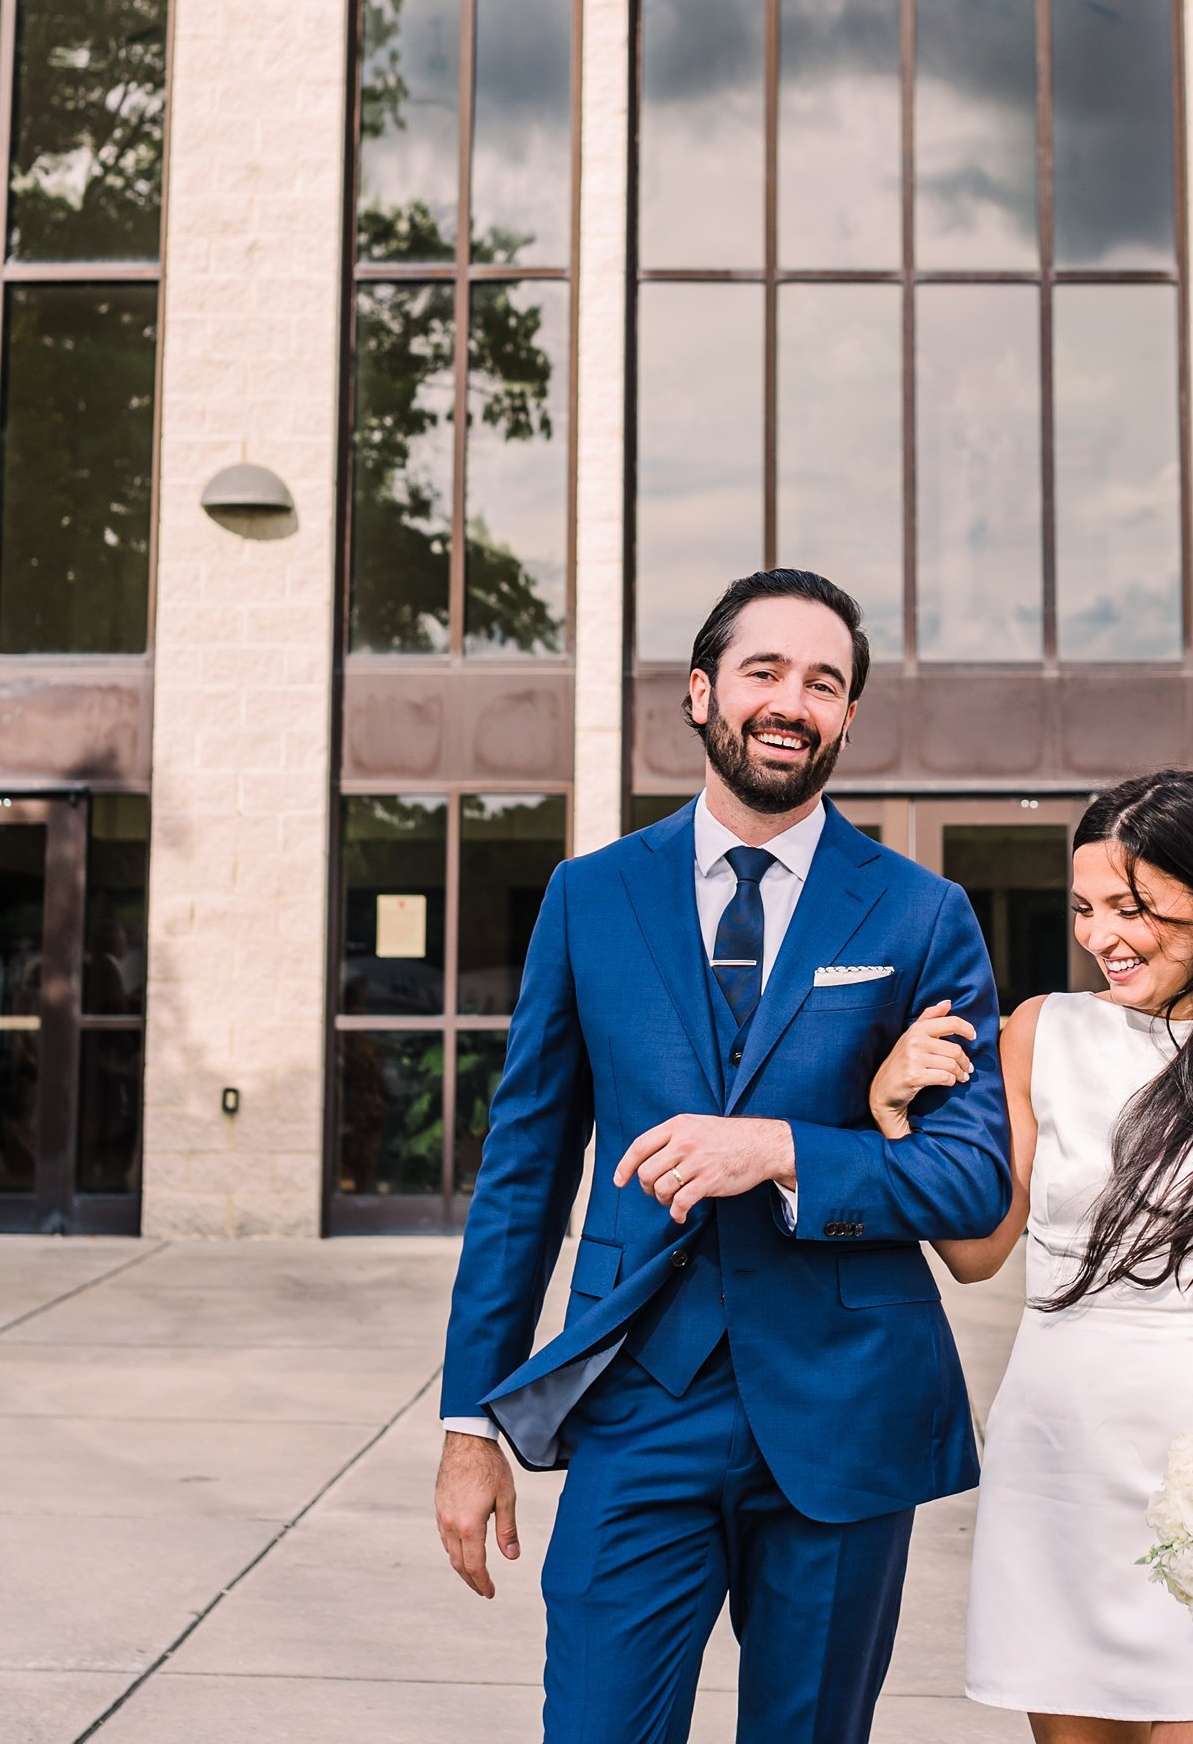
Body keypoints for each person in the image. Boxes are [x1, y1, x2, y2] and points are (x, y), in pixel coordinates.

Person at [434, 566, 1013, 1744]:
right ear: (701, 693)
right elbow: (524, 1176)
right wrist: (470, 1422)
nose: (791, 701)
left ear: (850, 717)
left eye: (824, 682)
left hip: (846, 1404)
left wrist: (785, 1149)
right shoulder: (589, 897)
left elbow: (972, 1179)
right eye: (764, 672)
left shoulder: (920, 914)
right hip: (640, 1395)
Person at [868, 769, 1193, 1744]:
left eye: (1132, 907)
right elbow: (979, 1254)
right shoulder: (1038, 1033)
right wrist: (897, 1126)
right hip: (1060, 1465)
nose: (1100, 935)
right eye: (1085, 908)